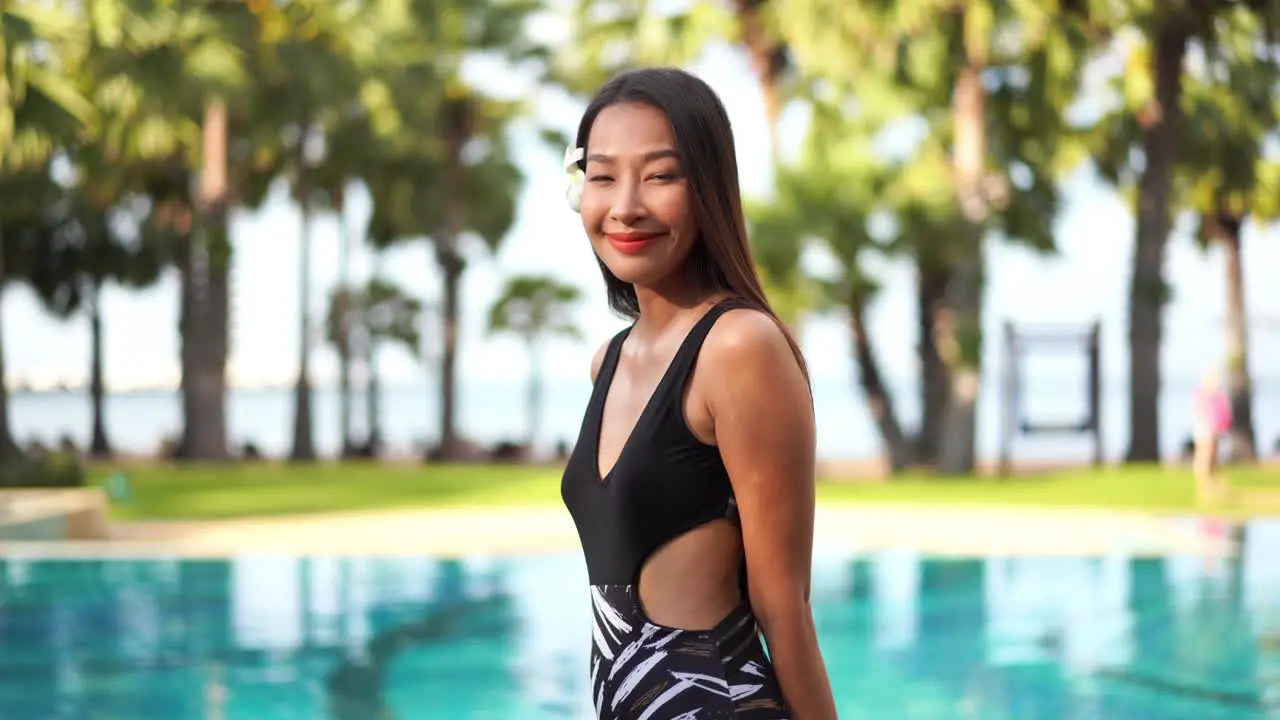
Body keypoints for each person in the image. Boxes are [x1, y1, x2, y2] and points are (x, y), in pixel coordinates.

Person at [558, 67, 838, 720]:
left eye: (660, 175)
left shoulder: (739, 347)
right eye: (602, 175)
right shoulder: (609, 361)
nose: (625, 205)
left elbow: (784, 608)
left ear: (708, 187)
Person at [1192, 367, 1231, 501]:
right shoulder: (1203, 394)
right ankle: (1204, 484)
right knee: (1205, 455)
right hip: (1205, 429)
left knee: (1213, 457)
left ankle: (1213, 483)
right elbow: (1202, 412)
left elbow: (1223, 412)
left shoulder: (1217, 394)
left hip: (1214, 429)